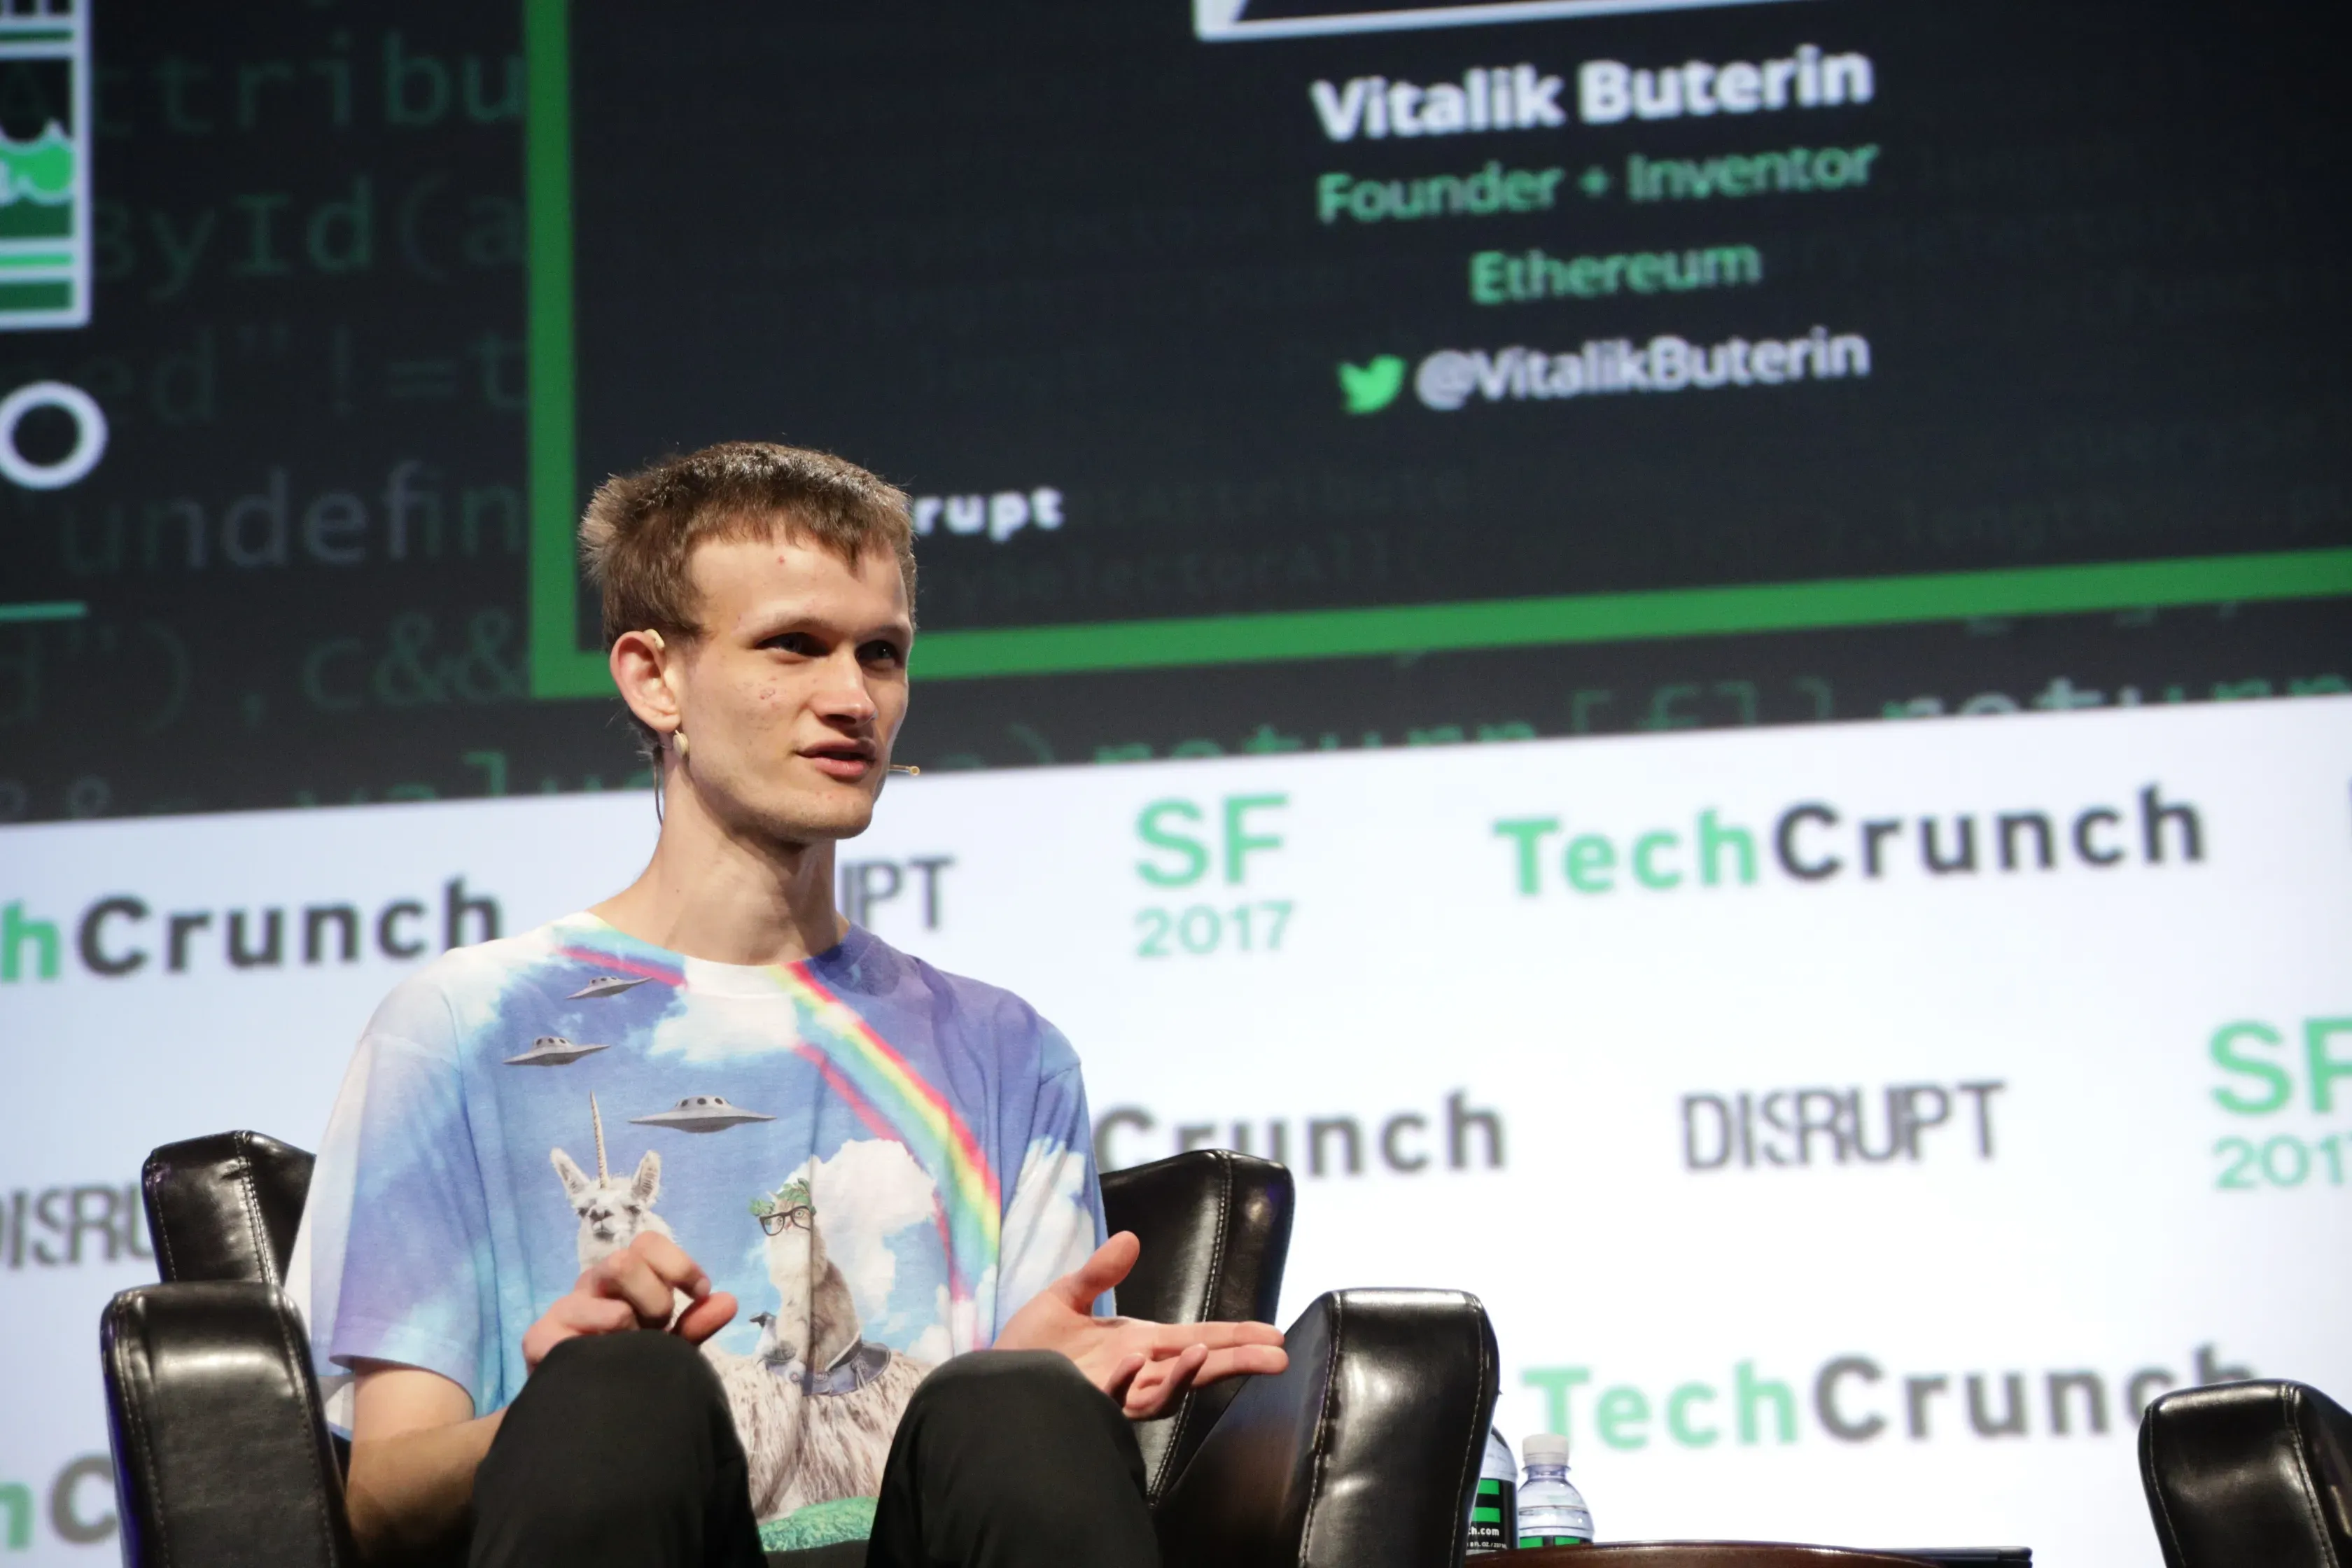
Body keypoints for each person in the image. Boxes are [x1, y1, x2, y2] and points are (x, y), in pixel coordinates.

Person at [287, 442, 1287, 1568]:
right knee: (621, 1391)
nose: (853, 699)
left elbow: (1005, 1474)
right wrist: (551, 1418)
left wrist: (1051, 1382)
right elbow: (379, 1504)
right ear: (654, 678)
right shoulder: (463, 1026)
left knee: (1016, 1401)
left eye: (881, 654)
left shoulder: (1006, 1051)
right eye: (794, 646)